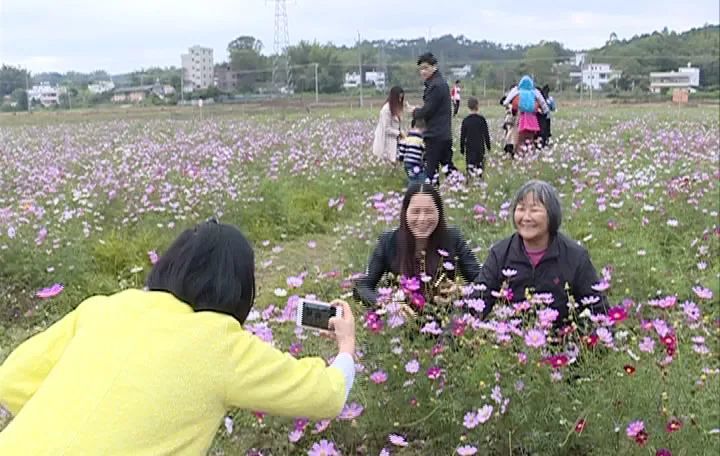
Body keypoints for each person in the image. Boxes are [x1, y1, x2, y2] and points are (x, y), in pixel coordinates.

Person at [0, 221, 357, 455]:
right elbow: (325, 395)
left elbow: (11, 378)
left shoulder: (109, 306)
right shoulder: (220, 343)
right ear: (238, 288)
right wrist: (346, 348)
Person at [475, 180, 608, 325]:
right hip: (512, 338)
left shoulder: (574, 256)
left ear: (551, 215)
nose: (526, 217)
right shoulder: (500, 253)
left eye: (534, 210)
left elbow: (599, 310)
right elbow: (477, 301)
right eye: (521, 209)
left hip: (562, 340)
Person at [354, 183, 481, 308]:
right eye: (415, 212)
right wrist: (386, 304)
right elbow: (362, 287)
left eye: (429, 211)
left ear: (439, 213)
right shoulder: (388, 242)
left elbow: (481, 280)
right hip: (402, 319)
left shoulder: (453, 238)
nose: (422, 219)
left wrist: (460, 292)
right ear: (405, 213)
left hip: (444, 316)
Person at [412, 52, 455, 186]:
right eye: (421, 69)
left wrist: (415, 112)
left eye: (426, 68)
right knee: (447, 166)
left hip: (435, 134)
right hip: (443, 133)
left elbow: (428, 110)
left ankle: (431, 196)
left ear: (434, 66)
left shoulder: (436, 86)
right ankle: (462, 184)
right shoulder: (439, 83)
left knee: (430, 170)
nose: (423, 72)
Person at [502, 76, 549, 153]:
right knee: (531, 138)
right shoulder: (535, 91)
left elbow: (506, 102)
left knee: (520, 139)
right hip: (533, 118)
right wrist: (545, 112)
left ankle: (518, 154)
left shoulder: (517, 90)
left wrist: (509, 106)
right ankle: (531, 154)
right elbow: (544, 104)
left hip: (521, 117)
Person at [460, 96, 491, 179]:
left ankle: (470, 181)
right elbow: (486, 134)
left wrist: (462, 148)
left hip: (469, 148)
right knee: (480, 166)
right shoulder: (482, 119)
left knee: (470, 166)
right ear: (477, 105)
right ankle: (480, 180)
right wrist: (488, 146)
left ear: (468, 106)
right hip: (480, 147)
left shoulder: (466, 120)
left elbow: (462, 136)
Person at [373, 86, 405, 162]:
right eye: (399, 98)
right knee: (390, 161)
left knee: (396, 161)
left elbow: (397, 125)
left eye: (401, 98)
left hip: (395, 140)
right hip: (386, 140)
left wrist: (401, 133)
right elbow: (386, 129)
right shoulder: (386, 110)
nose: (400, 100)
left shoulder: (395, 108)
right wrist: (399, 133)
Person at [397, 117, 427, 186]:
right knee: (419, 177)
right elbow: (426, 150)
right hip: (415, 164)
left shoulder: (407, 139)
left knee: (412, 177)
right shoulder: (420, 141)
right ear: (422, 130)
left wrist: (401, 158)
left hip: (407, 164)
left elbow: (401, 148)